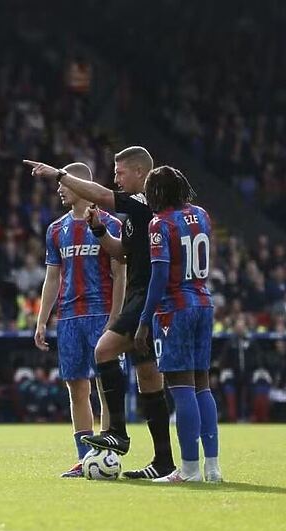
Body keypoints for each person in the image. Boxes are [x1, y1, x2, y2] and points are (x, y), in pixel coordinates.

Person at [24, 146, 176, 479]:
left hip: (135, 304)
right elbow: (121, 253)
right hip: (78, 314)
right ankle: (159, 461)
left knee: (118, 360)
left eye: (121, 172)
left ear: (139, 172)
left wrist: (58, 173)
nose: (117, 178)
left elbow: (106, 203)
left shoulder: (138, 204)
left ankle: (117, 438)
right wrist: (98, 232)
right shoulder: (67, 228)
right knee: (146, 379)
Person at [35, 162, 126, 478]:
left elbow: (119, 273)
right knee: (76, 389)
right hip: (70, 318)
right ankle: (85, 457)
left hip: (101, 314)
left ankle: (108, 454)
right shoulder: (56, 229)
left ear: (79, 185)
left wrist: (117, 319)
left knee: (105, 388)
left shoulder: (110, 223)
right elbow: (52, 277)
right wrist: (42, 319)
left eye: (64, 183)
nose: (59, 188)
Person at [134, 166, 221, 483]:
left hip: (175, 309)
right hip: (203, 302)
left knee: (181, 389)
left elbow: (159, 276)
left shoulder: (160, 224)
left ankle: (188, 470)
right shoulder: (201, 215)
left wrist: (144, 321)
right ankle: (212, 468)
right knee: (203, 387)